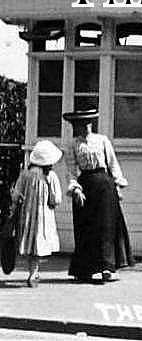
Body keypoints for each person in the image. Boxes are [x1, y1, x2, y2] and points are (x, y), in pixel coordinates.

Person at [63, 108, 132, 283]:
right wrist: (76, 189)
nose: (81, 127)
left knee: (106, 227)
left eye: (84, 123)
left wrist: (117, 185)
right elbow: (71, 171)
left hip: (104, 187)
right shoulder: (72, 145)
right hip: (85, 187)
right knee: (85, 228)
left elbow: (113, 164)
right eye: (77, 124)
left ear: (90, 124)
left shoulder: (102, 141)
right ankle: (84, 268)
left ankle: (107, 267)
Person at [9, 140, 63, 287]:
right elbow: (56, 199)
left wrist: (15, 206)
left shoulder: (25, 174)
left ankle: (32, 271)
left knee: (30, 242)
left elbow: (16, 194)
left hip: (27, 214)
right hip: (43, 216)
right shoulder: (50, 176)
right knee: (39, 242)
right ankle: (34, 272)